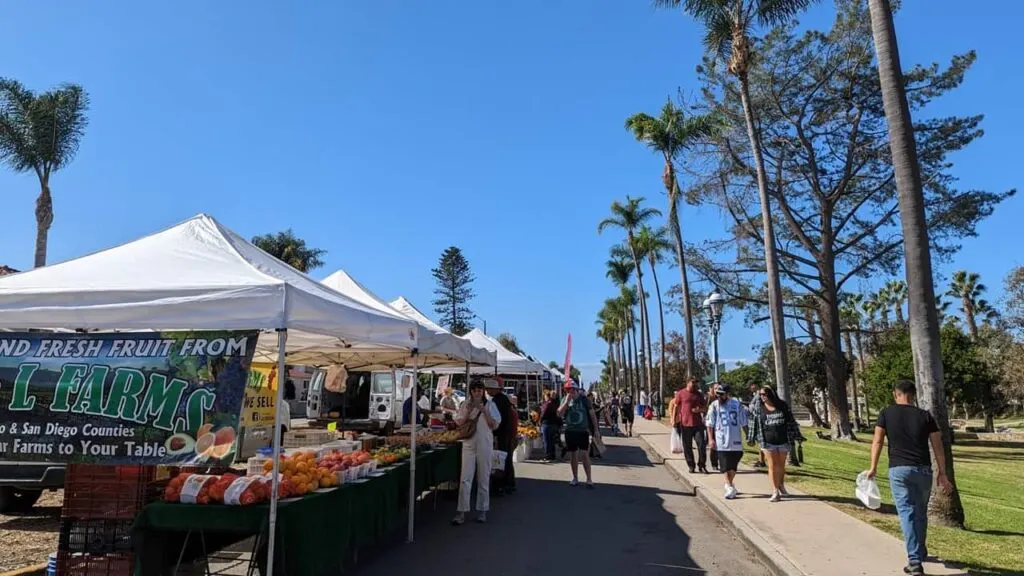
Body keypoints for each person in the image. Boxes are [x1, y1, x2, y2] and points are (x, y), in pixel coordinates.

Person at [868, 379, 953, 576]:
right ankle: (920, 550)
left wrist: (873, 467)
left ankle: (914, 560)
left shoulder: (886, 413)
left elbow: (878, 440)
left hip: (899, 470)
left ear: (895, 394)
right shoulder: (925, 416)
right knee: (920, 512)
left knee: (907, 513)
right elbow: (937, 444)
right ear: (913, 395)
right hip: (923, 470)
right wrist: (942, 471)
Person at [452, 379, 501, 525]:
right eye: (474, 390)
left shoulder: (491, 405)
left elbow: (494, 425)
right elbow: (459, 422)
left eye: (479, 390)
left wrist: (484, 410)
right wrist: (468, 410)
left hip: (484, 444)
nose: (477, 392)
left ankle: (482, 510)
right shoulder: (465, 404)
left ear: (483, 391)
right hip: (469, 443)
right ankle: (461, 512)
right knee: (465, 478)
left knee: (483, 477)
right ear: (471, 392)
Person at [706, 383, 748, 500]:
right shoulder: (714, 406)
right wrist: (711, 439)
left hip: (735, 439)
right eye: (717, 394)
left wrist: (748, 436)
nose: (719, 397)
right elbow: (710, 424)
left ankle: (730, 484)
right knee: (724, 465)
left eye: (722, 394)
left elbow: (743, 422)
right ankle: (729, 486)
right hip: (721, 439)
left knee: (733, 466)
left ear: (728, 394)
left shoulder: (736, 404)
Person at [756, 386, 797, 501]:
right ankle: (775, 491)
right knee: (772, 466)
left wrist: (795, 435)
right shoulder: (760, 408)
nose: (762, 397)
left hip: (783, 440)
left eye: (764, 394)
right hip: (768, 442)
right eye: (760, 395)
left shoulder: (782, 406)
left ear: (771, 394)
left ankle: (781, 485)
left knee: (781, 466)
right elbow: (756, 424)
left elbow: (791, 421)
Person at [558, 383, 601, 488]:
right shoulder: (565, 399)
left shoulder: (584, 400)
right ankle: (575, 478)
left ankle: (589, 479)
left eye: (571, 390)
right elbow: (559, 413)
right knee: (573, 455)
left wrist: (596, 430)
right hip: (570, 431)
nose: (569, 392)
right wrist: (566, 402)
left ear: (576, 390)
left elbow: (592, 415)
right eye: (567, 390)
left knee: (584, 454)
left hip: (582, 431)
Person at [486, 379, 517, 495]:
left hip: (501, 434)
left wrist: (494, 434)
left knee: (499, 460)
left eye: (489, 389)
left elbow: (498, 420)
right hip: (507, 433)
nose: (487, 391)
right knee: (506, 459)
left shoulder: (497, 401)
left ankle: (500, 486)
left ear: (495, 389)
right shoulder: (504, 399)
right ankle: (509, 483)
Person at [674, 378, 708, 474]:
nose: (694, 385)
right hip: (685, 425)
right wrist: (674, 420)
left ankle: (702, 465)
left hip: (698, 424)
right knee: (687, 447)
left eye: (695, 383)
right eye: (692, 382)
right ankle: (691, 466)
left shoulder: (699, 394)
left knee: (701, 445)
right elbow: (676, 406)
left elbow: (705, 407)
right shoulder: (681, 393)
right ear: (688, 383)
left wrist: (700, 410)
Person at [746, 382, 768, 469]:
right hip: (757, 420)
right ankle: (761, 460)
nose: (750, 388)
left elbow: (758, 408)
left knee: (762, 442)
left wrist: (750, 408)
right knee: (760, 442)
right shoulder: (756, 395)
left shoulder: (759, 395)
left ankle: (763, 461)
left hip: (760, 420)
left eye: (751, 386)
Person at [539, 390, 561, 462]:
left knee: (547, 441)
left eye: (544, 396)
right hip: (554, 424)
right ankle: (553, 455)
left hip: (547, 423)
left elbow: (543, 413)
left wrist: (540, 420)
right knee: (552, 440)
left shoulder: (548, 403)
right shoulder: (556, 403)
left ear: (547, 396)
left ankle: (548, 456)